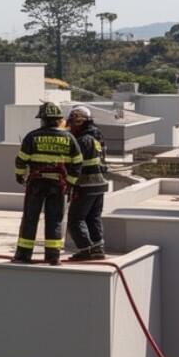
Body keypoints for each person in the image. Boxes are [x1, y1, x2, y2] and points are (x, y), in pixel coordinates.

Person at [13, 101, 82, 265]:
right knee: (55, 220)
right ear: (59, 119)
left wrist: (20, 176)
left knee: (30, 218)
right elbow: (77, 163)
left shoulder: (32, 137)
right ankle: (53, 256)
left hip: (36, 184)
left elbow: (21, 160)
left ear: (43, 119)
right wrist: (70, 184)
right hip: (58, 186)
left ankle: (23, 255)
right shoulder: (69, 138)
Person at [66, 105, 109, 260]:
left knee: (75, 219)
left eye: (71, 122)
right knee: (93, 218)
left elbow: (73, 163)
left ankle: (86, 250)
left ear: (78, 122)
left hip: (85, 186)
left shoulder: (82, 140)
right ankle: (98, 249)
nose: (69, 125)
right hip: (100, 185)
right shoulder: (98, 137)